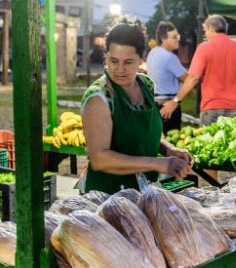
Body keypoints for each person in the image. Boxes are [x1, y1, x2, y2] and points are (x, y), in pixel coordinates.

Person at [80, 23, 193, 194]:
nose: (119, 69)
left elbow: (143, 134)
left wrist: (168, 149)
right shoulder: (99, 97)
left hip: (143, 190)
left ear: (141, 58)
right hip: (108, 197)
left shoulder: (145, 84)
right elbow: (99, 159)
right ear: (106, 57)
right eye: (113, 61)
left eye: (128, 62)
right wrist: (159, 163)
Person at [173, 15, 236, 126]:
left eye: (205, 31)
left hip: (212, 108)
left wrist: (176, 100)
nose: (205, 34)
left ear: (210, 29)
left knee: (210, 142)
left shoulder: (204, 48)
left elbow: (193, 78)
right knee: (233, 142)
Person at [146, 21, 188, 134]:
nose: (178, 39)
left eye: (178, 36)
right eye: (174, 37)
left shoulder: (153, 52)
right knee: (171, 145)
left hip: (154, 105)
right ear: (163, 39)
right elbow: (188, 80)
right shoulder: (170, 57)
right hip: (168, 107)